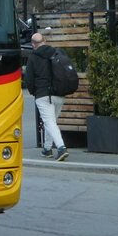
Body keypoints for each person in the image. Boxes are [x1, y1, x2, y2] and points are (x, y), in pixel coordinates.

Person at [25, 31, 69, 161]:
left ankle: (61, 148)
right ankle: (47, 149)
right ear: (45, 40)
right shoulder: (57, 53)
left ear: (33, 44)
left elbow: (29, 79)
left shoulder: (33, 57)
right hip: (59, 94)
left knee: (49, 122)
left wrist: (34, 92)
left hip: (43, 95)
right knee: (51, 122)